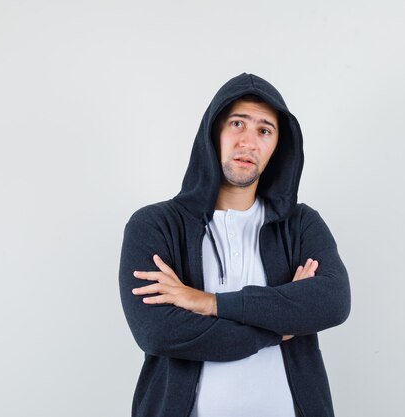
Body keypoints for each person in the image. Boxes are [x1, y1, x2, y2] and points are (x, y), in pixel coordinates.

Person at [119, 73, 351, 417]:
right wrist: (280, 327)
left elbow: (333, 302)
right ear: (213, 132)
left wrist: (209, 303)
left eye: (264, 130)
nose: (249, 142)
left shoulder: (300, 224)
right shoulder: (155, 225)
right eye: (237, 123)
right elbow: (159, 333)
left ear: (277, 146)